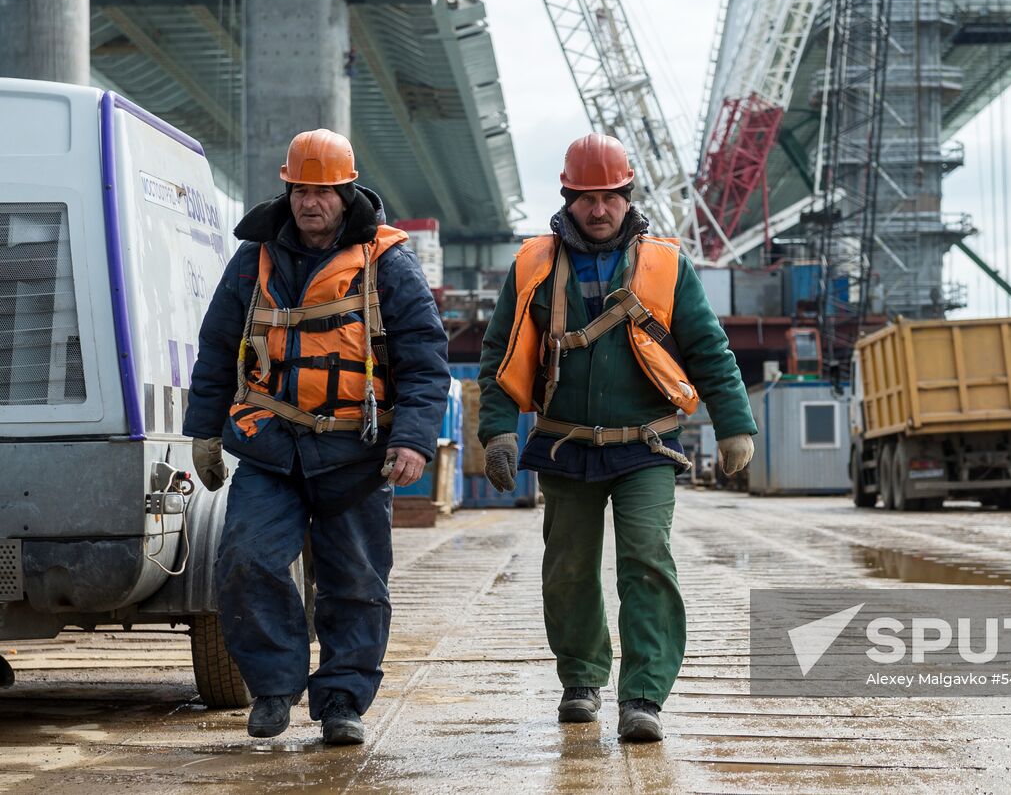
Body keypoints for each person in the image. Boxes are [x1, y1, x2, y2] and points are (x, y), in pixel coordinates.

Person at [476, 133, 756, 743]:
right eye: (585, 199)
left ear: (628, 197)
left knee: (647, 562)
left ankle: (644, 697)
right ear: (567, 198)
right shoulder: (533, 265)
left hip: (646, 446)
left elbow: (710, 349)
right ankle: (580, 681)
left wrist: (735, 425)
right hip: (563, 443)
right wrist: (497, 428)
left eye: (609, 198)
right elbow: (501, 353)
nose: (598, 210)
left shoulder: (668, 265)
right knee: (569, 567)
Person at [184, 130, 449, 743]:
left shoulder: (388, 261)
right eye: (301, 189)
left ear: (347, 192)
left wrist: (412, 439)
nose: (311, 202)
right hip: (270, 450)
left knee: (355, 580)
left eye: (324, 191)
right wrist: (202, 433)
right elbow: (219, 349)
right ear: (288, 188)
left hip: (356, 455)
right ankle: (275, 689)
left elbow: (425, 359)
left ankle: (342, 704)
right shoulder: (252, 260)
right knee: (246, 560)